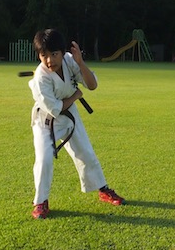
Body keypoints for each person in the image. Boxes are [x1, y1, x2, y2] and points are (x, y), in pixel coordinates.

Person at [28, 28, 125, 219]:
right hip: (46, 120)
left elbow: (92, 85)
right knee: (45, 157)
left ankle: (103, 190)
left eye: (54, 54)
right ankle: (40, 201)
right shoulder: (40, 78)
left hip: (70, 114)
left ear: (62, 52)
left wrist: (80, 63)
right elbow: (55, 108)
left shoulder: (69, 61)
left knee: (86, 152)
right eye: (43, 55)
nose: (49, 61)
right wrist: (75, 95)